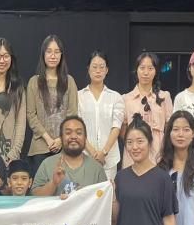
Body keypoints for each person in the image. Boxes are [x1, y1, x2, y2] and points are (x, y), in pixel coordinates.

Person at [26, 35, 78, 174]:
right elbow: (31, 115)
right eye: (49, 51)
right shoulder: (34, 82)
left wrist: (61, 139)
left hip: (65, 146)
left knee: (64, 186)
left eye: (56, 52)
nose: (53, 56)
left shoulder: (69, 81)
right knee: (42, 186)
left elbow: (72, 115)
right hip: (40, 148)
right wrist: (48, 139)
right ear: (43, 54)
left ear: (61, 55)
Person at [78, 50, 125, 181]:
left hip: (109, 159)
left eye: (101, 67)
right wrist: (93, 153)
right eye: (94, 67)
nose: (98, 71)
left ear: (107, 70)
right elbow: (78, 128)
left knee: (107, 192)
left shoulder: (116, 97)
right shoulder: (78, 96)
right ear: (88, 69)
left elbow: (116, 127)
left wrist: (104, 152)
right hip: (85, 156)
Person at [122, 52, 172, 168]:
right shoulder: (126, 98)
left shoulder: (164, 96)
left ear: (156, 71)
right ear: (136, 70)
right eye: (142, 68)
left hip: (158, 153)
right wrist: (135, 140)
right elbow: (123, 129)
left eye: (150, 68)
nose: (146, 72)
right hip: (133, 153)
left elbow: (169, 127)